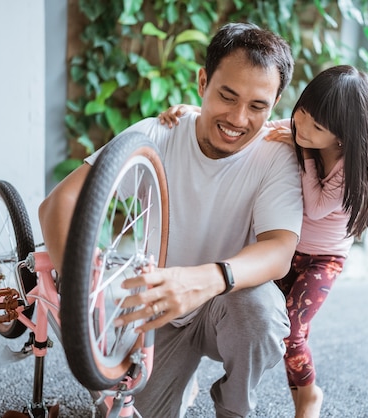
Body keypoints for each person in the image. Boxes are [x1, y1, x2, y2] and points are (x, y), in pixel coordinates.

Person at [38, 22, 303, 417]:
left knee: (261, 310)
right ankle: (177, 376)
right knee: (124, 409)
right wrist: (82, 295)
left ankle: (235, 409)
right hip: (159, 306)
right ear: (202, 82)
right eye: (227, 96)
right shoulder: (156, 135)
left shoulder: (275, 156)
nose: (238, 118)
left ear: (276, 102)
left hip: (223, 304)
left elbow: (279, 249)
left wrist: (202, 280)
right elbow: (58, 204)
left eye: (258, 106)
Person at [159, 65, 368, 418]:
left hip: (322, 259)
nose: (302, 127)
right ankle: (185, 373)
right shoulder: (297, 133)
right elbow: (249, 129)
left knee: (292, 333)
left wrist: (303, 153)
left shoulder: (345, 167)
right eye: (303, 114)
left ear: (342, 138)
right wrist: (194, 114)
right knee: (242, 313)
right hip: (287, 248)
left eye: (317, 127)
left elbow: (318, 203)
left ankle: (307, 396)